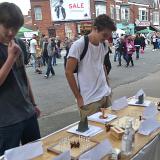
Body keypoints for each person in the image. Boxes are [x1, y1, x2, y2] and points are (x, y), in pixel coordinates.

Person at [0, 2, 41, 155]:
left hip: (27, 112)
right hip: (6, 120)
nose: (11, 32)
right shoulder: (11, 49)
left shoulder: (18, 43)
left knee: (36, 154)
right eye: (7, 27)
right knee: (8, 157)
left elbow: (23, 75)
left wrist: (33, 102)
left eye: (15, 29)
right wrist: (11, 57)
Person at [65, 14, 116, 122]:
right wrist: (78, 97)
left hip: (105, 95)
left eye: (109, 36)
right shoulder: (79, 45)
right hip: (89, 100)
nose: (106, 38)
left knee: (109, 129)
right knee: (92, 134)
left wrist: (108, 87)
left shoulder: (104, 45)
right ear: (95, 29)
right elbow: (68, 72)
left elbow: (102, 66)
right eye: (104, 35)